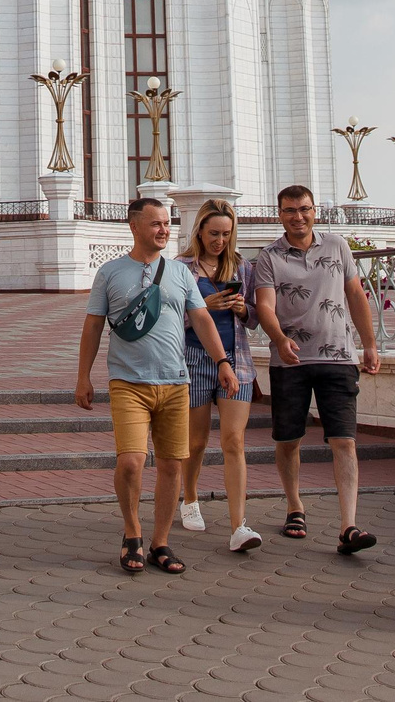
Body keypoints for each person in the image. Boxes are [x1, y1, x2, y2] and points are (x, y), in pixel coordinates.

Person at [77, 196, 235, 575]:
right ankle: (132, 532)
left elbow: (201, 320)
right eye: (156, 224)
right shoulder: (110, 273)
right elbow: (93, 325)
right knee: (131, 462)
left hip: (176, 383)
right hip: (128, 383)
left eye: (167, 223)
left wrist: (222, 362)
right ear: (135, 227)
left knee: (171, 466)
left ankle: (160, 543)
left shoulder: (180, 273)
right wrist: (83, 376)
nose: (164, 230)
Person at [250, 184, 381, 556]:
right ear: (280, 215)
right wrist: (279, 339)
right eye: (290, 210)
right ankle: (295, 506)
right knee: (288, 440)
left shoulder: (337, 246)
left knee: (344, 440)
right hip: (290, 360)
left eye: (304, 209)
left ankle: (348, 526)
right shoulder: (269, 257)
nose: (298, 217)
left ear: (314, 211)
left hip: (338, 358)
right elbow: (265, 306)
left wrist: (369, 344)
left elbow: (355, 294)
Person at [177, 198, 261, 553]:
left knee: (234, 441)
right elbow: (169, 319)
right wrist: (201, 308)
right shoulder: (181, 268)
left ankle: (238, 525)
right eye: (214, 233)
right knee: (195, 442)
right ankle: (190, 499)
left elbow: (255, 318)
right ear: (199, 231)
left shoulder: (242, 267)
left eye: (226, 234)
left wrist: (243, 309)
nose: (220, 241)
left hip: (236, 361)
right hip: (194, 361)